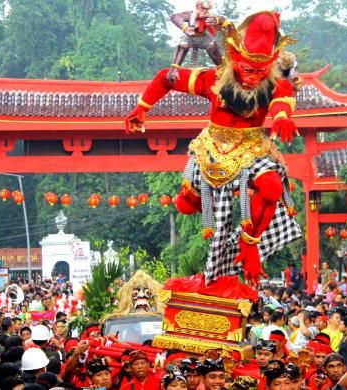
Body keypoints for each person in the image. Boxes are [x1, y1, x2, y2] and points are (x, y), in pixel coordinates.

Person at [126, 10, 302, 286]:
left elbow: (282, 102)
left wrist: (282, 117)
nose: (252, 78)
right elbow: (165, 77)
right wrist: (141, 108)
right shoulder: (213, 79)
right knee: (185, 205)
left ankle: (249, 243)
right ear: (235, 59)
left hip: (252, 146)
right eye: (246, 69)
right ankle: (213, 226)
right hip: (213, 147)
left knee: (272, 187)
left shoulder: (274, 85)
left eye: (259, 71)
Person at [167, 0, 224, 81]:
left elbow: (222, 19)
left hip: (204, 37)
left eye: (207, 9)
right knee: (183, 45)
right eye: (203, 8)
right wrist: (185, 28)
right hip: (190, 36)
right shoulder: (190, 14)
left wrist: (217, 20)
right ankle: (174, 70)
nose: (205, 11)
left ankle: (222, 69)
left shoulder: (210, 16)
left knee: (212, 45)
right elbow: (174, 17)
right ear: (198, 7)